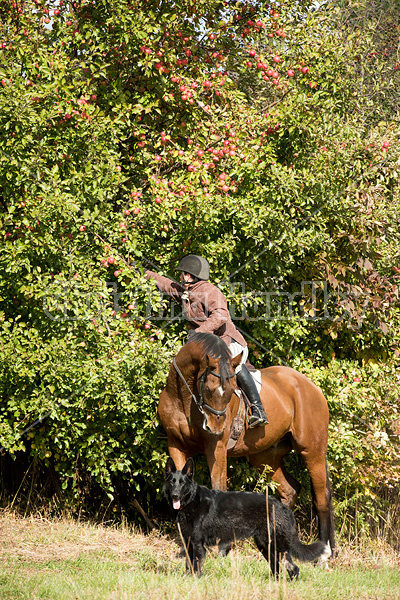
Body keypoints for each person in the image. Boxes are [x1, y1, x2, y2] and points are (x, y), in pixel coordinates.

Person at [144, 254, 268, 428]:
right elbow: (165, 284)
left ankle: (258, 409)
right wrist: (143, 272)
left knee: (233, 366)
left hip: (228, 341)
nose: (182, 277)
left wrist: (200, 332)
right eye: (182, 275)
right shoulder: (186, 291)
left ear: (193, 276)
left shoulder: (210, 291)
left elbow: (222, 315)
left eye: (186, 274)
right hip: (207, 345)